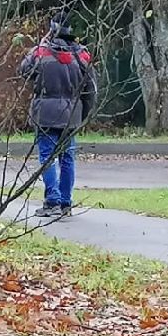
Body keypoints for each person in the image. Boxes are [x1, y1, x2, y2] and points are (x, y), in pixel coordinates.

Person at [20, 18, 97, 218]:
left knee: (47, 158)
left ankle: (51, 201)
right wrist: (83, 113)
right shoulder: (81, 55)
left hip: (45, 114)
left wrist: (38, 44)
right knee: (67, 158)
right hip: (71, 115)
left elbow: (24, 71)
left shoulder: (42, 52)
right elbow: (91, 89)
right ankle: (65, 203)